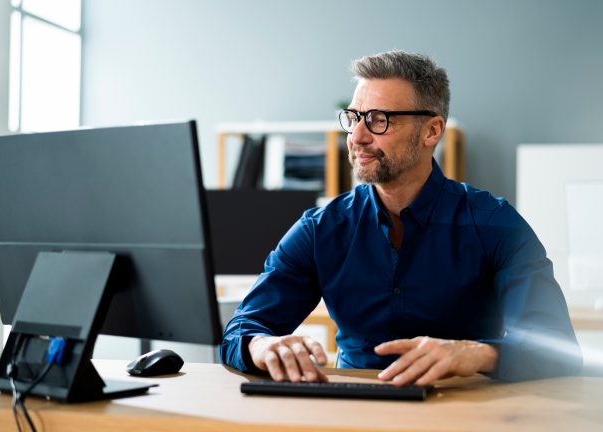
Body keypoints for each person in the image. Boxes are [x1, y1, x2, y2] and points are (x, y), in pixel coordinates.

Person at [220, 50, 582, 386]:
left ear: (432, 130)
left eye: (379, 120)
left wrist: (476, 353)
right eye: (354, 118)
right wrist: (262, 346)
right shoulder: (320, 229)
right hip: (352, 414)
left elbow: (558, 352)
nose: (357, 136)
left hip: (462, 412)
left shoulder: (496, 224)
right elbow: (241, 331)